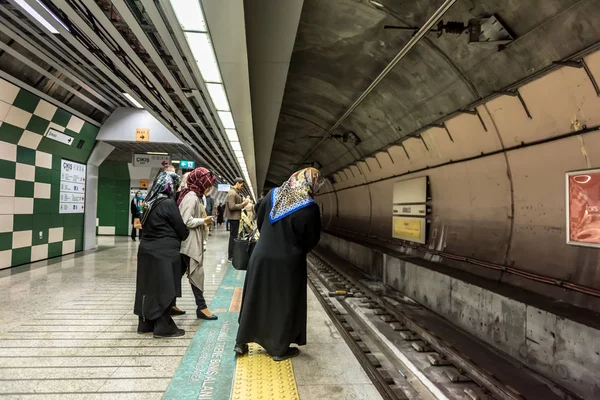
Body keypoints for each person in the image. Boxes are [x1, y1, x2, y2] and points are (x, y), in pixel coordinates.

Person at [235, 168, 323, 361]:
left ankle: (241, 341)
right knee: (283, 302)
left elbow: (259, 216)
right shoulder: (309, 207)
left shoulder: (273, 194)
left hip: (260, 255)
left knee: (254, 297)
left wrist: (268, 237)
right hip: (288, 261)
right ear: (311, 183)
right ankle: (278, 348)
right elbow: (311, 239)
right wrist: (294, 248)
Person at [134, 171, 189, 338]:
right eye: (176, 186)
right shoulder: (167, 203)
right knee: (165, 288)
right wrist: (184, 233)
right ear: (169, 186)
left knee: (147, 287)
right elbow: (181, 229)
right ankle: (163, 326)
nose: (177, 190)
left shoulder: (148, 203)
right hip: (165, 252)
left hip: (146, 250)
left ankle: (145, 323)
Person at [177, 167, 218, 320]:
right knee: (196, 273)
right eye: (208, 184)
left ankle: (170, 303)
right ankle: (201, 307)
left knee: (178, 274)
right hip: (189, 243)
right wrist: (203, 220)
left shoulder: (194, 195)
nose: (210, 187)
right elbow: (185, 221)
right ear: (200, 182)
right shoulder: (192, 197)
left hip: (187, 241)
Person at [225, 178, 248, 261]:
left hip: (235, 217)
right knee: (233, 237)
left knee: (234, 236)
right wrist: (242, 205)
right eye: (241, 185)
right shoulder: (232, 193)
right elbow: (231, 206)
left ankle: (232, 254)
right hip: (233, 218)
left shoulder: (235, 192)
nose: (242, 187)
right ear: (237, 183)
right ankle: (230, 256)